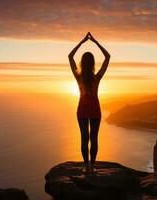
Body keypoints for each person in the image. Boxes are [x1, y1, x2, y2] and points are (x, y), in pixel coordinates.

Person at [68, 32, 110, 173]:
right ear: (92, 63)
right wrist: (95, 42)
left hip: (82, 109)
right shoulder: (96, 77)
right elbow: (108, 57)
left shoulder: (78, 77)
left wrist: (82, 42)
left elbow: (70, 56)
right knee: (93, 138)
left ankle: (86, 167)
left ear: (82, 63)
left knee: (84, 138)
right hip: (94, 109)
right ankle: (92, 166)